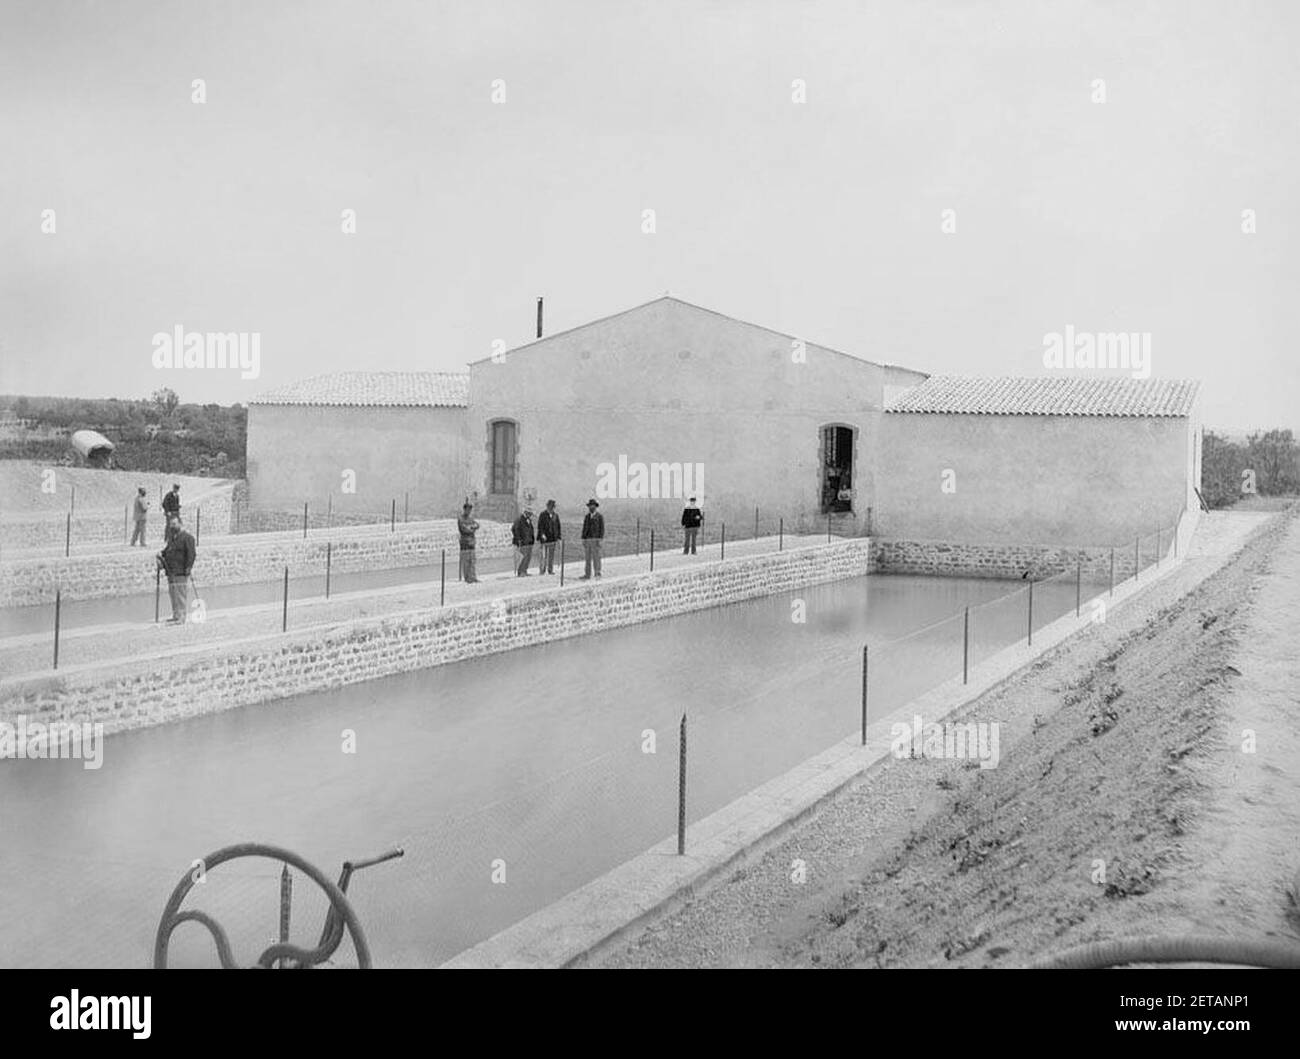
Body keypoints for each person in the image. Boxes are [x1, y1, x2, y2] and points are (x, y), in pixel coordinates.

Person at [158, 515, 196, 624]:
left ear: (180, 524)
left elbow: (191, 554)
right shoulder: (173, 538)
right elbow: (167, 551)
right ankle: (175, 615)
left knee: (180, 595)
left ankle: (181, 617)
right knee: (173, 595)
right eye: (171, 524)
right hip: (171, 571)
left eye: (174, 524)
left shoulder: (188, 538)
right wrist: (161, 554)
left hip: (181, 572)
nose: (172, 526)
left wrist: (188, 568)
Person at [580, 498, 604, 579]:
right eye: (590, 506)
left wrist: (600, 540)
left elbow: (602, 529)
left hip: (596, 540)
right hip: (587, 540)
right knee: (587, 559)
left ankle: (597, 573)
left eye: (592, 506)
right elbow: (584, 528)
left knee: (596, 557)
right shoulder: (587, 517)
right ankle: (587, 574)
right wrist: (583, 539)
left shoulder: (599, 517)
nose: (591, 507)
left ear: (595, 506)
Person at [536, 499, 561, 574]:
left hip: (553, 539)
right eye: (550, 507)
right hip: (544, 539)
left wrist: (558, 537)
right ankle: (542, 570)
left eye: (552, 507)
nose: (551, 508)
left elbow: (558, 527)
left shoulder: (555, 515)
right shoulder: (542, 515)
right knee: (543, 556)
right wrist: (542, 534)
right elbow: (540, 526)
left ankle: (550, 570)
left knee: (551, 556)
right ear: (547, 506)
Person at [457, 502, 480, 583]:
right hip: (465, 543)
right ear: (464, 509)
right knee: (466, 562)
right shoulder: (461, 519)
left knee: (472, 561)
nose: (469, 511)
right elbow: (464, 529)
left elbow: (477, 525)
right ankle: (467, 578)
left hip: (472, 543)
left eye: (470, 510)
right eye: (468, 509)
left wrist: (471, 527)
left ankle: (473, 577)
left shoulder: (471, 519)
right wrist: (471, 528)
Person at [511, 508, 535, 576]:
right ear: (526, 513)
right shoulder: (519, 520)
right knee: (524, 557)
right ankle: (520, 572)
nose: (530, 515)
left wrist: (532, 539)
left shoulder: (529, 520)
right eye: (529, 514)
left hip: (528, 543)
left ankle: (524, 570)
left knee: (528, 557)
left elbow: (530, 530)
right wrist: (519, 539)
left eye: (531, 514)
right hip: (522, 543)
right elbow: (514, 529)